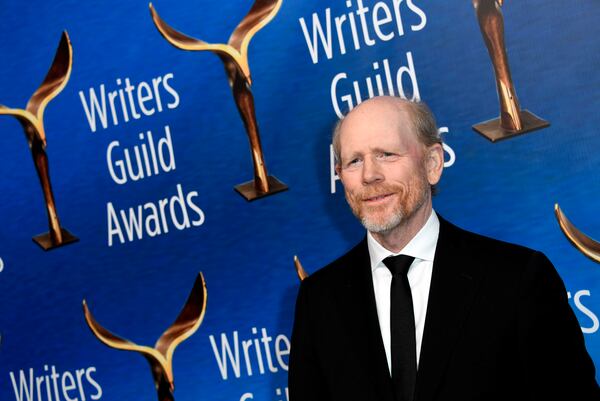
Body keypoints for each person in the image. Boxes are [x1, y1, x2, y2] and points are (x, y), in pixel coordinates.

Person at [288, 96, 598, 401]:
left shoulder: (517, 279)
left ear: (432, 164)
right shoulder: (319, 300)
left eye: (387, 154)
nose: (370, 175)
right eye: (354, 160)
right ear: (341, 177)